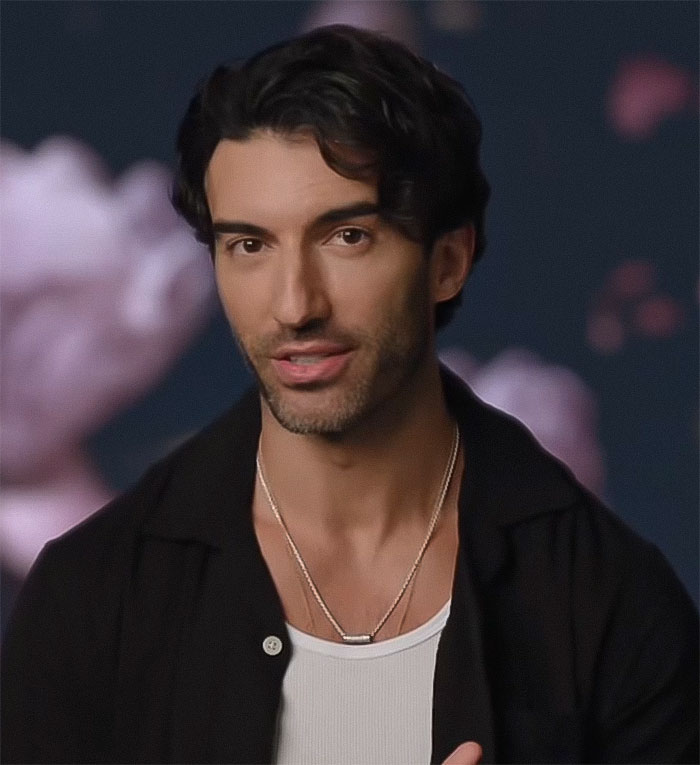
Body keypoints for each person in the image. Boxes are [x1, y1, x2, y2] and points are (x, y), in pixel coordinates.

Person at [1, 24, 697, 765]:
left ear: (448, 262)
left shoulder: (607, 600)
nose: (295, 304)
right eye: (249, 246)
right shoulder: (96, 596)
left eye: (348, 238)